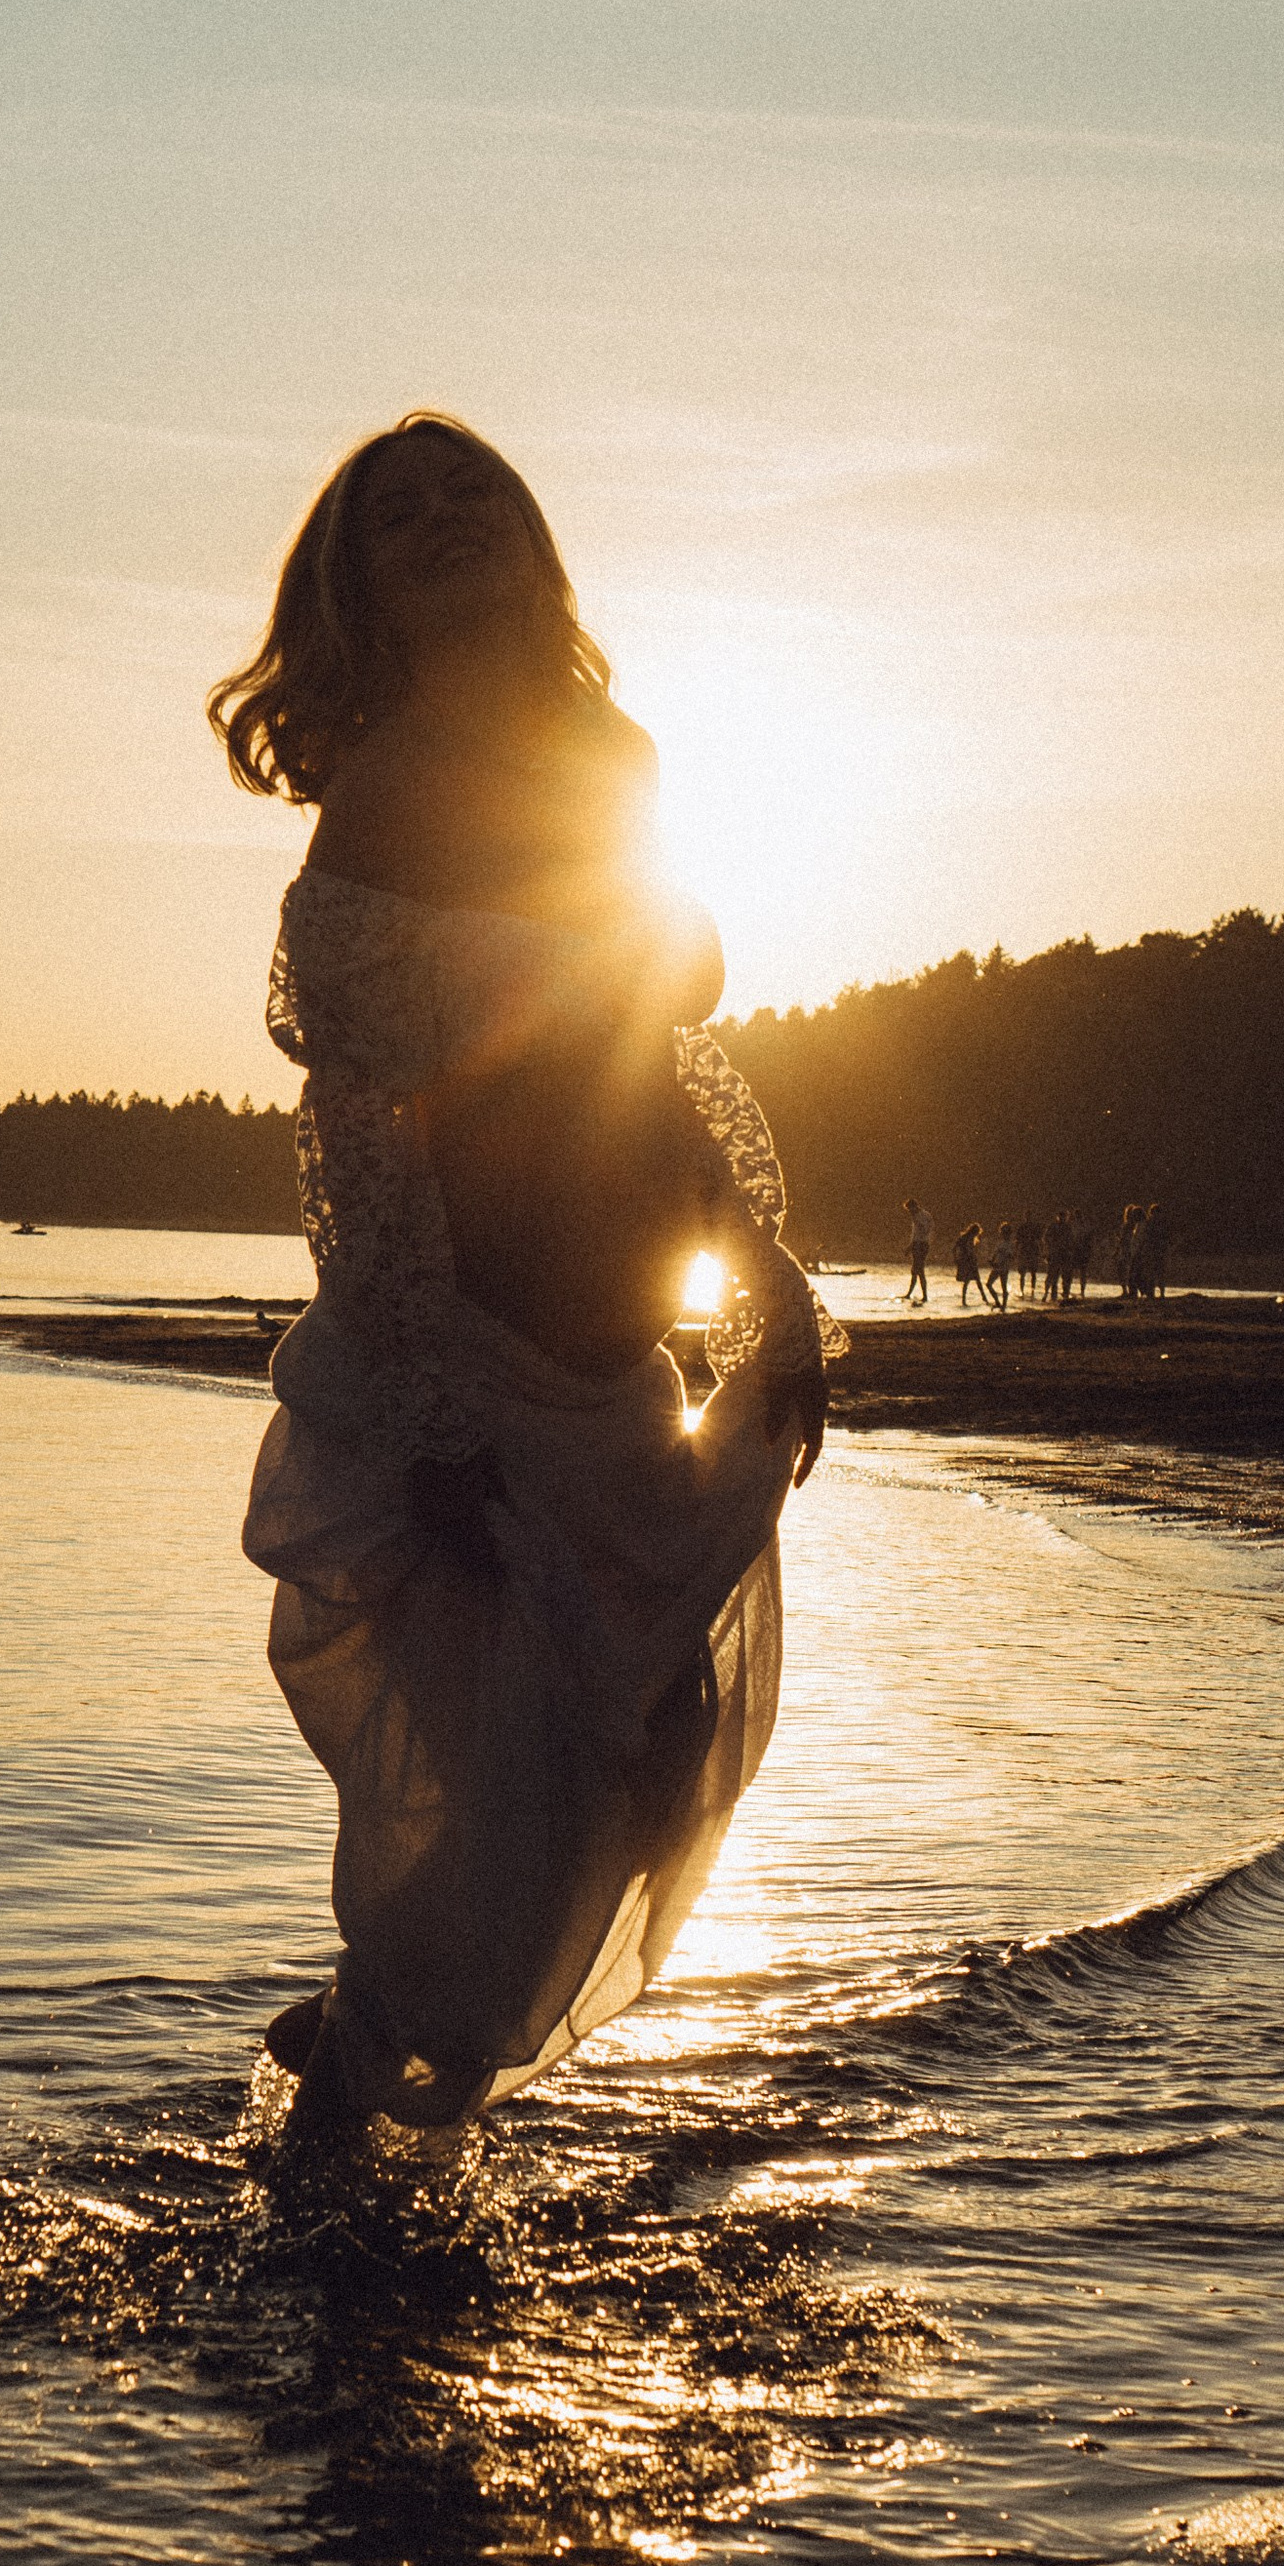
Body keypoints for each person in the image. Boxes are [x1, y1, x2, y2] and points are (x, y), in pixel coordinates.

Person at [211, 412, 839, 2144]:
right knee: (493, 1842)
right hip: (459, 1387)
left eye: (464, 491)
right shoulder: (388, 788)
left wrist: (767, 1292)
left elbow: (649, 1058)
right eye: (391, 514)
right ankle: (335, 2200)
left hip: (621, 1383)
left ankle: (363, 2081)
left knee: (627, 1787)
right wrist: (435, 1415)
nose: (437, 520)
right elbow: (362, 1131)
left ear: (529, 531)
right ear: (353, 587)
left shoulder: (609, 752)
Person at [902, 1193, 932, 1306]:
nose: (909, 1212)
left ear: (914, 1207)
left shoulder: (921, 1216)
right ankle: (910, 1294)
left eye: (910, 1210)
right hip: (919, 1244)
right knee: (915, 1271)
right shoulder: (923, 1215)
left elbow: (921, 1233)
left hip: (921, 1245)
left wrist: (909, 1247)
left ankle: (924, 1296)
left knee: (919, 1271)